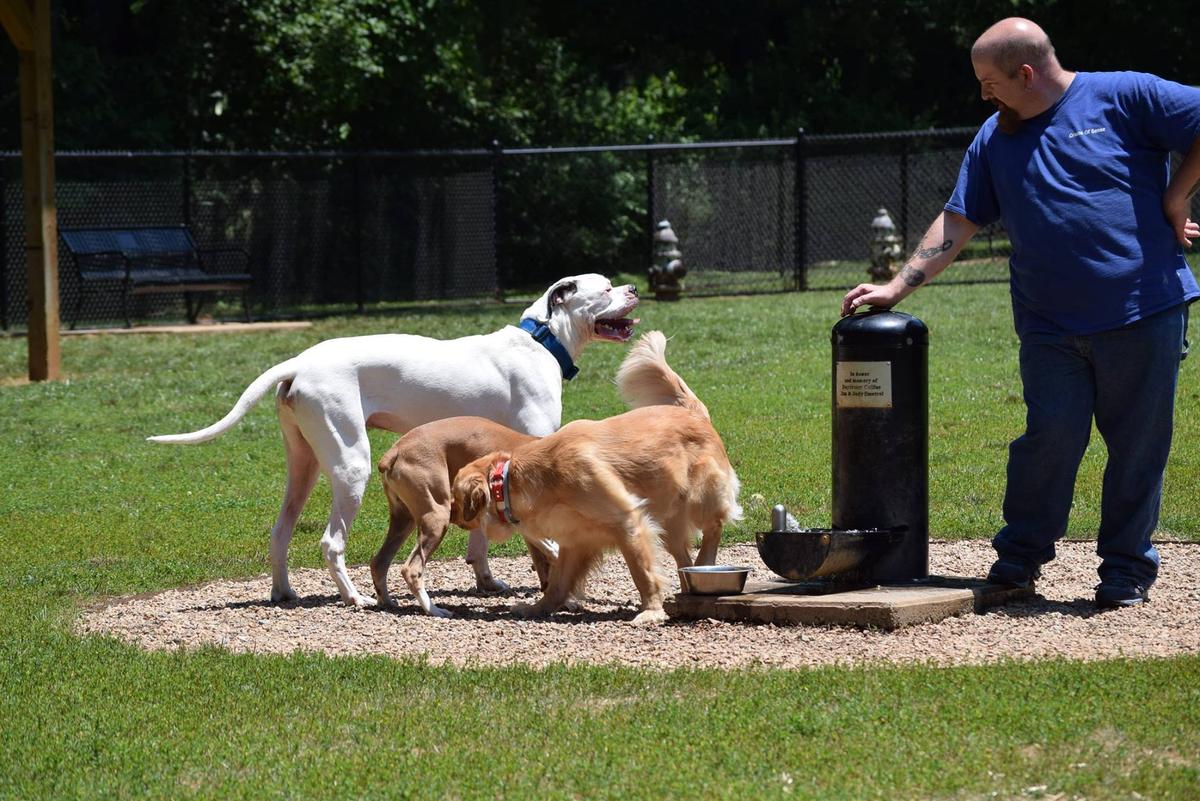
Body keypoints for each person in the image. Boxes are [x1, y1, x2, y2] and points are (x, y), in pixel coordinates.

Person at [841, 17, 1200, 609]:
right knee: (1048, 441)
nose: (983, 93)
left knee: (1138, 448)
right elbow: (958, 220)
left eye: (989, 81)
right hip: (1049, 326)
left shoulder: (1126, 95)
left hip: (1142, 311)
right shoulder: (994, 137)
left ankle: (1125, 573)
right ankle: (1017, 562)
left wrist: (1176, 194)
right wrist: (896, 288)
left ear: (1025, 72)